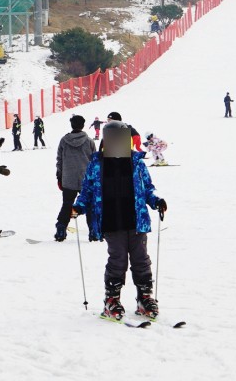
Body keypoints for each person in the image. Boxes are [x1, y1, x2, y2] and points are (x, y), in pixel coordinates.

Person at [72, 120, 167, 321]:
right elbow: (87, 191)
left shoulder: (137, 162)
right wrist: (78, 207)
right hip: (111, 219)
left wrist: (157, 201)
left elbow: (148, 187)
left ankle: (144, 298)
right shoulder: (96, 164)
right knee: (117, 260)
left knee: (141, 260)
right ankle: (111, 300)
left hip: (136, 219)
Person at [55, 114, 96, 242]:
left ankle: (61, 229)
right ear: (83, 125)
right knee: (89, 205)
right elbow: (94, 162)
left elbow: (59, 160)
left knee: (67, 205)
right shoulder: (89, 141)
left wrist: (59, 176)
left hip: (68, 178)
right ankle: (94, 231)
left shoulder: (64, 140)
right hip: (86, 180)